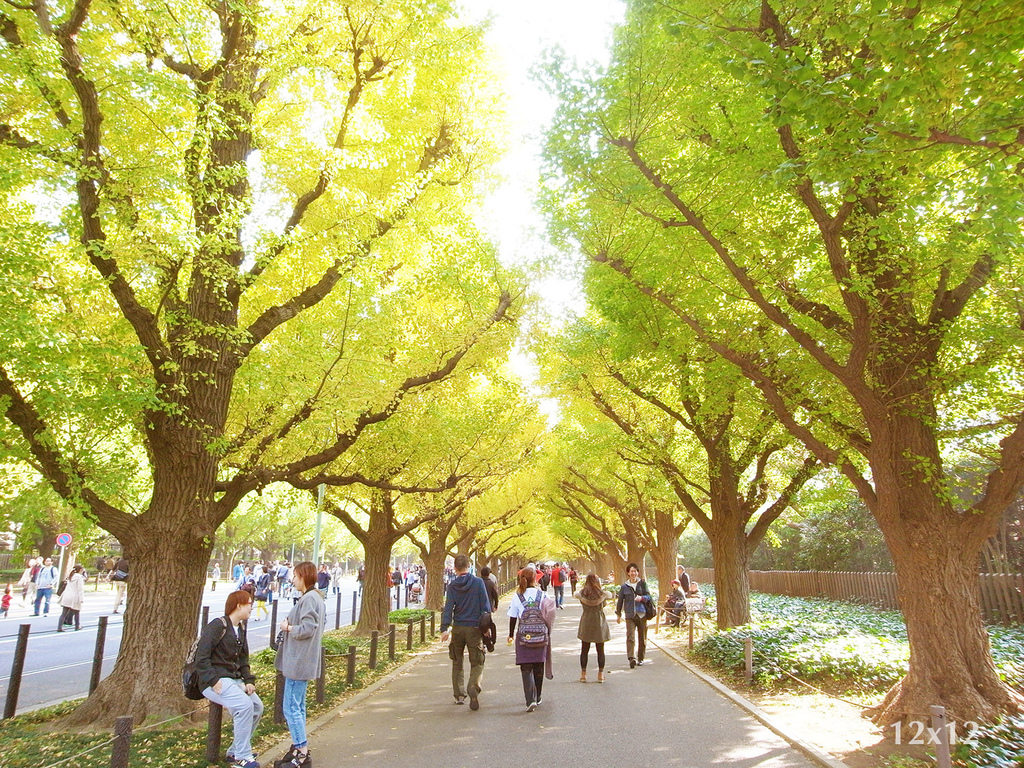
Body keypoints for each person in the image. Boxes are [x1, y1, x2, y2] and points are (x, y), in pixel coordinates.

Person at [196, 590, 262, 768]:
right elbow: (201, 656)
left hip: (234, 679)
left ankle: (235, 750)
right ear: (238, 605)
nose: (251, 607)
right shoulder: (218, 626)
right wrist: (212, 679)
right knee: (244, 706)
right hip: (215, 681)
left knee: (256, 707)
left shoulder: (240, 628)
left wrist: (249, 680)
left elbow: (242, 659)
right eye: (249, 603)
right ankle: (242, 757)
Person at [274, 561, 326, 768]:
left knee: (291, 707)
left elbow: (307, 628)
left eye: (295, 576)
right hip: (301, 661)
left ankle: (302, 751)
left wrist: (288, 628)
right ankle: (298, 747)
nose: (292, 579)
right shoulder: (313, 598)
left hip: (299, 662)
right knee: (298, 706)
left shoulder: (310, 599)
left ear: (303, 576)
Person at [440, 554, 490, 710]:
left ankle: (459, 694)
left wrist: (444, 628)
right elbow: (485, 607)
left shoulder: (452, 586)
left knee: (457, 660)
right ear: (469, 566)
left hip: (458, 628)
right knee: (477, 661)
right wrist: (486, 627)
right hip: (474, 627)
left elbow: (448, 608)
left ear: (455, 569)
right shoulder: (478, 582)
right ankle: (473, 686)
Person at [507, 566, 555, 711]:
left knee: (526, 667)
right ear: (535, 579)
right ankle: (538, 696)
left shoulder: (517, 596)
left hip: (524, 636)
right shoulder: (543, 595)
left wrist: (510, 635)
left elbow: (513, 617)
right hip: (540, 635)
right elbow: (550, 614)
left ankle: (530, 699)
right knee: (538, 665)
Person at [616, 562, 654, 668]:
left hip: (642, 614)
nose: (633, 573)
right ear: (628, 573)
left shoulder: (642, 584)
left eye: (635, 571)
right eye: (631, 571)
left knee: (642, 637)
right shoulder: (624, 586)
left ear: (638, 572)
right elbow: (620, 601)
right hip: (630, 615)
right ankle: (631, 658)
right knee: (630, 637)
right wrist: (618, 614)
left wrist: (642, 598)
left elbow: (649, 596)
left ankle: (641, 658)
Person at [575, 573, 612, 682]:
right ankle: (600, 674)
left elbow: (581, 601)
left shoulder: (582, 593)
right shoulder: (602, 594)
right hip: (598, 620)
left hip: (586, 620)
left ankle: (583, 674)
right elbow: (604, 604)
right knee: (600, 649)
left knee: (584, 649)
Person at [57, 563, 86, 631]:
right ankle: (77, 626)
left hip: (67, 595)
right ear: (80, 570)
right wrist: (81, 598)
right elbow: (80, 589)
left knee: (64, 613)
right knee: (76, 612)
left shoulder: (70, 576)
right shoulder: (79, 577)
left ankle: (59, 627)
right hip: (75, 596)